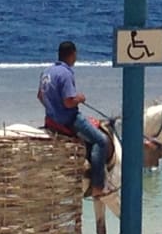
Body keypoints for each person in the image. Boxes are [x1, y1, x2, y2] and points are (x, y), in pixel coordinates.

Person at [37, 41, 110, 198]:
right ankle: (98, 186)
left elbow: (40, 96)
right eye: (76, 55)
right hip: (69, 120)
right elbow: (68, 102)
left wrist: (52, 108)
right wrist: (80, 98)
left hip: (50, 120)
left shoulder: (46, 72)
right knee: (101, 141)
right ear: (72, 54)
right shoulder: (66, 73)